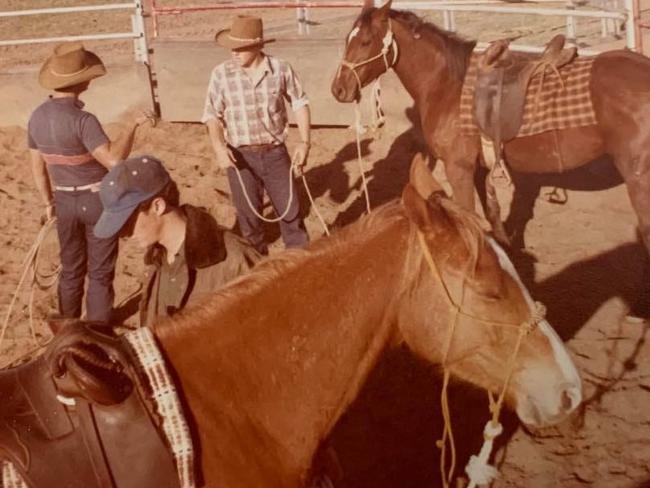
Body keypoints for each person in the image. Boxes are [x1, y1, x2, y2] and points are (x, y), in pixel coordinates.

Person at [28, 41, 153, 323]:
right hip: (94, 200)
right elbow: (113, 160)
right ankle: (97, 327)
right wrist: (132, 125)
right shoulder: (83, 120)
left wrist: (48, 203)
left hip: (63, 201)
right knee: (100, 270)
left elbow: (38, 167)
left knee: (71, 268)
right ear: (82, 81)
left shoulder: (36, 117)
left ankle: (68, 327)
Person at [93, 155, 261, 328]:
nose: (123, 233)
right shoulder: (158, 259)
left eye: (127, 221)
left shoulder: (233, 259)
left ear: (157, 206)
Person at [202, 15, 311, 255]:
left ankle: (300, 262)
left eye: (239, 48)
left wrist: (304, 142)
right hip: (240, 156)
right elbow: (212, 115)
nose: (234, 53)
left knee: (291, 213)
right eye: (231, 47)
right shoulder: (221, 74)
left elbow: (300, 102)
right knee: (248, 221)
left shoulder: (280, 69)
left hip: (275, 152)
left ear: (257, 46)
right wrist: (220, 148)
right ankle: (257, 269)